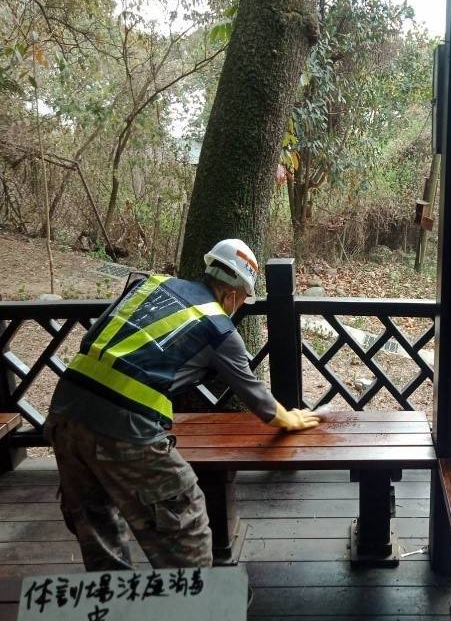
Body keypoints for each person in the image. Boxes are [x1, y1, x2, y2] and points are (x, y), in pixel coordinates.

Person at [45, 239, 319, 570]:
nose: (240, 306)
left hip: (64, 412)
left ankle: (112, 611)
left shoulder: (149, 284)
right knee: (184, 525)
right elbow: (254, 393)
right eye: (244, 300)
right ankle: (194, 608)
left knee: (96, 526)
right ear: (233, 294)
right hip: (125, 427)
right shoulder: (218, 326)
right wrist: (288, 418)